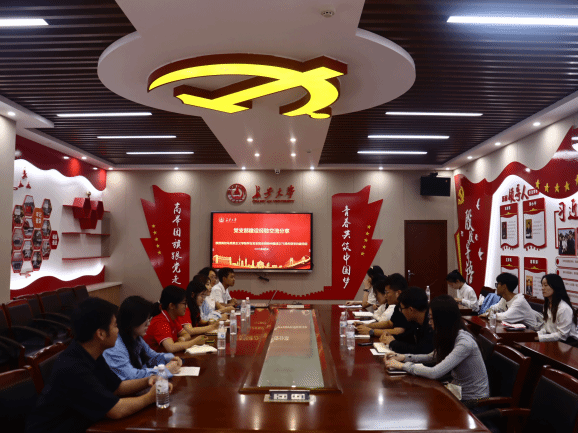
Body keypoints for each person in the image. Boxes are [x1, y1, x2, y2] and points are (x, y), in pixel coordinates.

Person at [26, 298, 170, 433]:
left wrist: (148, 380)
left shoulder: (92, 353)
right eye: (115, 326)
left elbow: (117, 387)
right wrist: (150, 397)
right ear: (100, 334)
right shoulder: (73, 367)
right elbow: (115, 410)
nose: (118, 330)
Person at [385, 295, 489, 405]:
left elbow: (435, 372)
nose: (429, 322)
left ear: (442, 319)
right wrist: (403, 357)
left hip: (473, 403)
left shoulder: (464, 343)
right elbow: (432, 356)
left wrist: (401, 366)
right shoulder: (451, 335)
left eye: (431, 318)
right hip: (457, 394)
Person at [103, 296, 183, 380]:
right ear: (134, 321)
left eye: (149, 319)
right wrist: (164, 371)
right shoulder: (115, 346)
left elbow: (152, 357)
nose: (148, 324)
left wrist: (171, 358)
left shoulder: (137, 338)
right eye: (146, 320)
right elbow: (132, 376)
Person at [143, 285, 207, 353]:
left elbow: (186, 334)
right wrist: (195, 341)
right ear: (171, 306)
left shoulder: (173, 317)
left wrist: (182, 339)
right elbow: (171, 348)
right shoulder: (160, 321)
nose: (186, 307)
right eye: (184, 303)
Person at [380, 286, 434, 354]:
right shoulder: (415, 321)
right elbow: (408, 337)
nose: (401, 312)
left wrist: (392, 343)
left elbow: (420, 350)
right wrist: (391, 336)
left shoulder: (431, 324)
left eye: (402, 309)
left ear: (411, 310)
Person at [356, 273, 409, 338]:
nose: (385, 296)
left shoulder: (406, 306)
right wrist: (366, 325)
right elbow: (389, 323)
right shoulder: (398, 306)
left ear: (398, 293)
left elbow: (398, 331)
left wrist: (371, 331)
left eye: (387, 292)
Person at [536, 274, 578, 345]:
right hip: (554, 340)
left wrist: (540, 338)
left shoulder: (564, 308)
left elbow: (562, 335)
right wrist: (536, 335)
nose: (542, 288)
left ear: (555, 287)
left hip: (568, 343)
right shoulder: (547, 305)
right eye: (542, 285)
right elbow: (546, 328)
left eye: (545, 285)